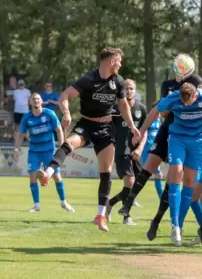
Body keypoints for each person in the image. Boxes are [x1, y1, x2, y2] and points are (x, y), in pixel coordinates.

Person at [36, 47, 140, 232]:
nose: (121, 64)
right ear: (111, 61)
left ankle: (100, 215)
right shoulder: (89, 79)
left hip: (106, 128)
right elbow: (64, 96)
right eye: (119, 61)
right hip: (86, 123)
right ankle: (48, 173)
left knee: (106, 171)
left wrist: (132, 126)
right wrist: (66, 112)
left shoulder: (118, 81)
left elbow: (123, 106)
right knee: (69, 143)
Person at [129, 82, 202, 246]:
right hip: (180, 141)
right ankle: (177, 226)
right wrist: (141, 131)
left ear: (197, 95)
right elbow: (156, 111)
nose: (186, 106)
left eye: (189, 103)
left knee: (194, 188)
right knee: (177, 176)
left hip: (201, 147)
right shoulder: (175, 98)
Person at [120, 59, 202, 238]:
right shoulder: (167, 85)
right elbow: (164, 112)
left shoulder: (195, 80)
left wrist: (183, 100)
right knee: (149, 167)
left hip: (186, 135)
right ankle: (128, 203)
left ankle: (157, 221)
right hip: (167, 130)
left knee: (172, 181)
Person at [13, 93, 74, 213]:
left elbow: (59, 129)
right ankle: (36, 205)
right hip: (34, 152)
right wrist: (16, 149)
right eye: (33, 99)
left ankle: (63, 202)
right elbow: (20, 135)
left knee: (56, 176)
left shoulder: (49, 113)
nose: (36, 101)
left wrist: (62, 147)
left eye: (38, 99)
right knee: (32, 177)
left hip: (49, 151)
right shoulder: (26, 117)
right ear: (30, 102)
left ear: (41, 101)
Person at [107, 79, 147, 225]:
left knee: (137, 183)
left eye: (131, 88)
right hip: (121, 150)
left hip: (135, 152)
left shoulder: (141, 109)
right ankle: (126, 217)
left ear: (135, 90)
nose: (129, 91)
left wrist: (140, 149)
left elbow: (144, 131)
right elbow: (108, 130)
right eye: (126, 89)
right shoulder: (116, 110)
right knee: (130, 182)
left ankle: (110, 203)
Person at [4, 76, 17, 140]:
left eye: (13, 81)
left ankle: (17, 136)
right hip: (9, 108)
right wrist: (6, 100)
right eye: (11, 81)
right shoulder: (7, 88)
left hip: (18, 108)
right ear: (9, 81)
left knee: (17, 123)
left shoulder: (18, 88)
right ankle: (12, 136)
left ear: (15, 81)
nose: (12, 82)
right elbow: (5, 97)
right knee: (10, 123)